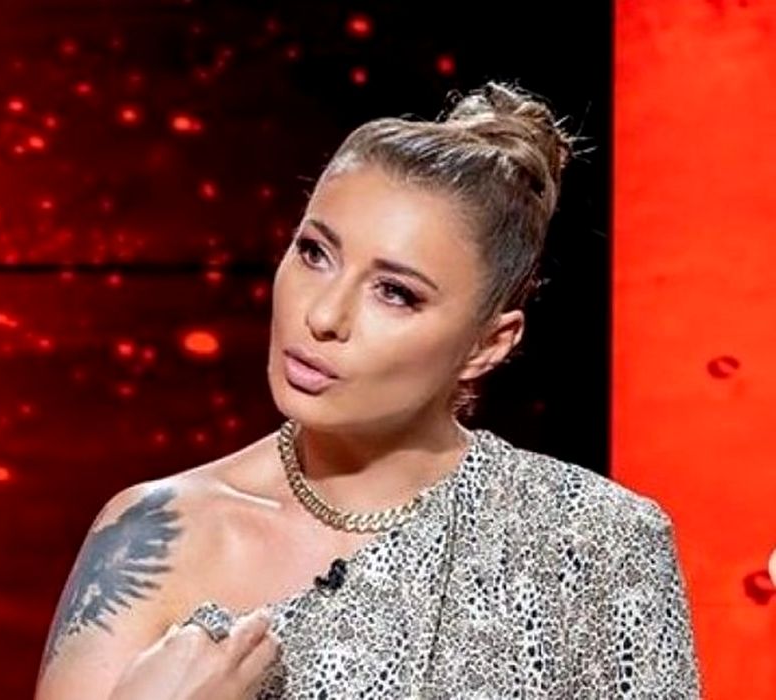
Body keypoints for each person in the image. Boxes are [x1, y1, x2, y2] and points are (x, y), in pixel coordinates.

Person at [34, 82, 701, 699]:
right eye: (314, 253)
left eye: (395, 293)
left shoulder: (595, 542)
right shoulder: (155, 535)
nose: (323, 315)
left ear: (487, 344)